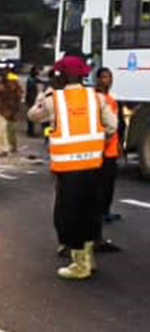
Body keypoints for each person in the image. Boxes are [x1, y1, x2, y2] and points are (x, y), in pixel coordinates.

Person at [27, 55, 117, 280]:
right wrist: (98, 139)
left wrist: (45, 92)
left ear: (61, 75)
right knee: (90, 212)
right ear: (84, 74)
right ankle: (88, 258)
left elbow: (32, 116)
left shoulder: (53, 100)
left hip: (68, 170)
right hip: (93, 165)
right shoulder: (96, 98)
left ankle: (80, 265)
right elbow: (112, 125)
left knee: (70, 215)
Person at [92, 67, 124, 250]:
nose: (107, 80)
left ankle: (106, 211)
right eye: (104, 77)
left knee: (110, 184)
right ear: (97, 80)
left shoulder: (112, 100)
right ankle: (100, 216)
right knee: (101, 187)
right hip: (102, 151)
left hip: (111, 150)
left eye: (109, 77)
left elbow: (116, 126)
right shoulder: (97, 99)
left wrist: (118, 144)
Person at [0, 65, 23, 156]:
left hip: (10, 110)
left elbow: (19, 95)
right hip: (3, 110)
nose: (3, 74)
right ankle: (5, 148)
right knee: (2, 130)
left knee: (10, 130)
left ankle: (11, 147)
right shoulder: (3, 83)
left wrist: (16, 108)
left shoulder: (13, 83)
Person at [25, 65, 42, 137]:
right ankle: (30, 131)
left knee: (31, 115)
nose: (38, 72)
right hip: (31, 99)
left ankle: (30, 131)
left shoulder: (32, 78)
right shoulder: (31, 79)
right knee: (31, 115)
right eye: (37, 70)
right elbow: (30, 90)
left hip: (31, 98)